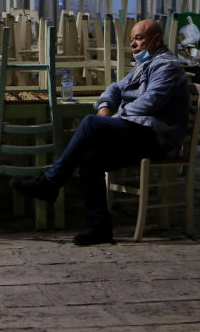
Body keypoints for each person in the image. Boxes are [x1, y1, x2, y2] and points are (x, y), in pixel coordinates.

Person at [11, 18, 190, 246]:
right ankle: (100, 227)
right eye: (132, 39)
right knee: (89, 158)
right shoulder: (144, 65)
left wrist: (116, 115)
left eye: (139, 38)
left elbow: (151, 103)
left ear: (157, 40)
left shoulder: (166, 66)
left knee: (90, 124)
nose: (133, 44)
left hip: (156, 138)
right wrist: (105, 105)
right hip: (138, 132)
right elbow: (116, 87)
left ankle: (51, 182)